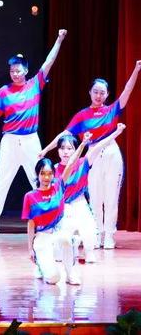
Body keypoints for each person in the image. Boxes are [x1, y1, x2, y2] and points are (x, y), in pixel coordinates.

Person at [0, 29, 67, 236]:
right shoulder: (4, 92)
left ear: (25, 70)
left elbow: (49, 62)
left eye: (18, 70)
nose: (15, 74)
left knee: (40, 179)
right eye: (12, 71)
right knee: (2, 180)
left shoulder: (35, 84)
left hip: (30, 140)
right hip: (9, 141)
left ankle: (50, 219)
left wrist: (59, 40)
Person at [39, 60, 141, 249]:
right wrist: (46, 150)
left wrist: (136, 69)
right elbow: (64, 135)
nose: (99, 95)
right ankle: (96, 233)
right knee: (95, 196)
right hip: (92, 156)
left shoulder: (112, 110)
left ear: (107, 94)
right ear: (90, 93)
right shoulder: (82, 116)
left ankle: (108, 235)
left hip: (111, 153)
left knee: (111, 197)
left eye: (102, 92)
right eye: (96, 92)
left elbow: (127, 90)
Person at [42, 125, 126, 264]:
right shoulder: (54, 169)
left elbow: (99, 146)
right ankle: (71, 243)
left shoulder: (83, 163)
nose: (65, 152)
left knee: (89, 231)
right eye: (62, 148)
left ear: (76, 150)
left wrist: (117, 132)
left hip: (79, 203)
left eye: (69, 148)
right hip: (63, 206)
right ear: (58, 151)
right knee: (58, 253)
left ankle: (86, 248)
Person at [23, 132, 91, 286]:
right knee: (53, 279)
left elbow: (71, 163)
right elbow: (31, 224)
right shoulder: (31, 196)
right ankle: (42, 265)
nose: (46, 177)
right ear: (37, 175)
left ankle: (70, 273)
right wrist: (30, 249)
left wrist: (82, 144)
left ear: (54, 175)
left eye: (49, 174)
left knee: (67, 239)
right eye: (42, 174)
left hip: (57, 232)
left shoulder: (58, 186)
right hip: (42, 237)